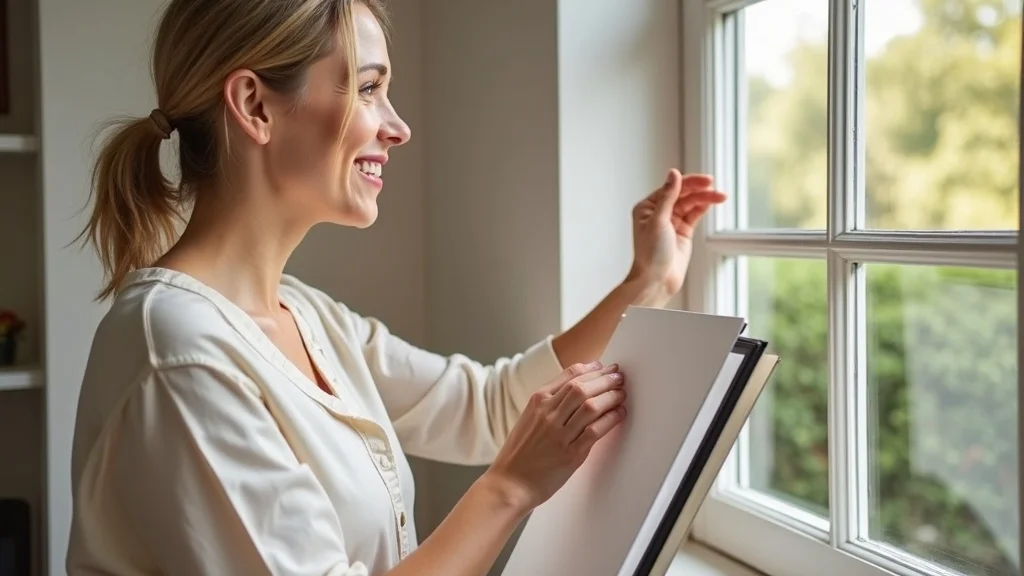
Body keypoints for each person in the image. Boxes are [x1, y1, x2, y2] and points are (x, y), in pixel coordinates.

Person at [66, 1, 726, 574]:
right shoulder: (177, 352)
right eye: (368, 88)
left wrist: (648, 283)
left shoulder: (306, 315)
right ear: (254, 105)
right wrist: (510, 489)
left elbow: (487, 407)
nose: (398, 126)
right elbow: (506, 442)